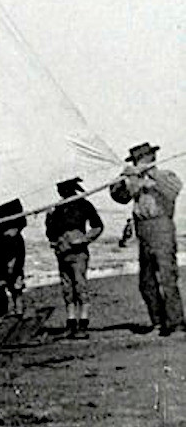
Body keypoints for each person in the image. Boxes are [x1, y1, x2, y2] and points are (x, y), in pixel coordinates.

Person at [110, 142, 184, 336]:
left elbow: (173, 190)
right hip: (143, 230)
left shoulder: (165, 175)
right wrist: (123, 178)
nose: (137, 163)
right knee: (146, 281)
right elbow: (119, 196)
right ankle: (158, 322)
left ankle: (176, 324)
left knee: (167, 278)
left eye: (139, 159)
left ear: (150, 158)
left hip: (162, 226)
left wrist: (151, 174)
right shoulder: (133, 180)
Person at [44, 177, 104, 338]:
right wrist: (49, 219)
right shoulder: (57, 208)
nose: (59, 190)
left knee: (80, 286)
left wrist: (85, 239)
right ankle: (71, 323)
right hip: (62, 252)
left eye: (62, 187)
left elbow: (98, 226)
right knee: (67, 288)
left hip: (78, 252)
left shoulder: (83, 204)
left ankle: (83, 324)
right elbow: (50, 233)